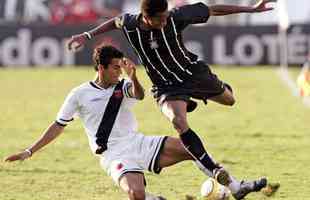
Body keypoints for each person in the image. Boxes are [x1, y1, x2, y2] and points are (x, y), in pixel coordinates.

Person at [67, 1, 274, 198]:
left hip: (193, 74)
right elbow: (114, 22)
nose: (165, 21)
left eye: (166, 16)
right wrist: (87, 35)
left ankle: (218, 89)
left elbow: (213, 10)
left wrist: (252, 9)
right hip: (166, 87)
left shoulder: (175, 17)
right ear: (146, 18)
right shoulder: (130, 24)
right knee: (178, 121)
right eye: (160, 19)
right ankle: (228, 181)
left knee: (229, 99)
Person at [5, 45, 266, 200]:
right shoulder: (79, 94)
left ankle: (235, 186)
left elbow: (139, 94)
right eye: (115, 67)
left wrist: (134, 76)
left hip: (139, 143)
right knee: (136, 195)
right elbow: (58, 125)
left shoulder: (124, 86)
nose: (119, 71)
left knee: (191, 148)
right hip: (113, 154)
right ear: (101, 68)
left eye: (121, 67)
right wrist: (30, 151)